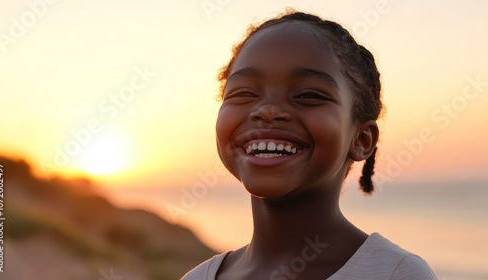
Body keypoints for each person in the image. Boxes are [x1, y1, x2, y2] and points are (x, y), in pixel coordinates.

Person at [182, 10, 437, 280]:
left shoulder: (395, 274)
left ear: (361, 139)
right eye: (243, 92)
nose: (267, 110)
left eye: (308, 95)